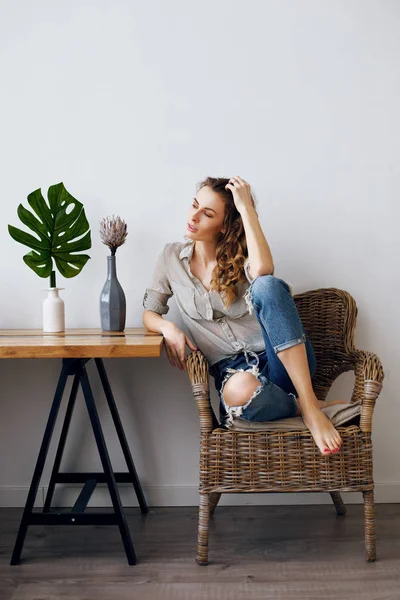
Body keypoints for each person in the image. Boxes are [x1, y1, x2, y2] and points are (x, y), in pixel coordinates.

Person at [142, 175, 347, 456]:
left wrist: (246, 208)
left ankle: (311, 408)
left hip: (282, 362)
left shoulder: (243, 256)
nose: (194, 216)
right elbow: (150, 312)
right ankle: (301, 405)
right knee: (238, 390)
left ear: (224, 225)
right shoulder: (170, 258)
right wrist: (168, 328)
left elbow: (264, 271)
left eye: (208, 213)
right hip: (233, 374)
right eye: (194, 205)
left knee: (267, 285)